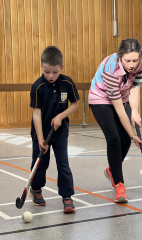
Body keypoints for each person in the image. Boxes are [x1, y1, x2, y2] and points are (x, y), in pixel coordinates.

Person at [88, 38, 142, 203]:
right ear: (120, 57)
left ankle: (112, 169)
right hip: (100, 99)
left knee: (125, 140)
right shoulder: (111, 70)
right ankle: (119, 186)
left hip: (122, 96)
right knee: (114, 139)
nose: (132, 65)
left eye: (135, 60)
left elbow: (134, 88)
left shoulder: (140, 64)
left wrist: (135, 111)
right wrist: (134, 134)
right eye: (128, 61)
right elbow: (119, 110)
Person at [29, 46, 79, 213]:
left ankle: (67, 196)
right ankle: (35, 189)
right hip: (40, 132)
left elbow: (75, 104)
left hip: (60, 131)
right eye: (46, 72)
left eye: (54, 72)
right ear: (42, 66)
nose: (50, 76)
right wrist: (41, 138)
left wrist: (60, 116)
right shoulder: (38, 86)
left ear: (61, 68)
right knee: (40, 162)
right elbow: (36, 113)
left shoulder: (67, 83)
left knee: (63, 163)